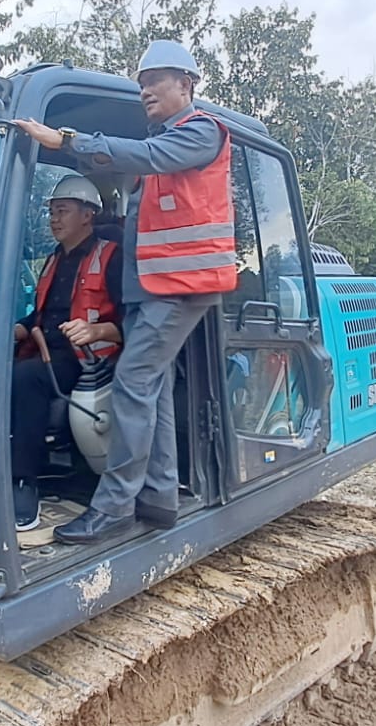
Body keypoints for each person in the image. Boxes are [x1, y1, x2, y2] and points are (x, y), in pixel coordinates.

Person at [14, 38, 232, 544]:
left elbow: (148, 154)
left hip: (180, 286)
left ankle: (113, 508)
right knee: (150, 390)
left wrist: (64, 139)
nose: (146, 90)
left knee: (132, 386)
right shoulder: (162, 156)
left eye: (155, 80)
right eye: (141, 83)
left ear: (187, 83)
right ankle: (157, 498)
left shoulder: (199, 132)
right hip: (155, 287)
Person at [8, 174, 123, 530]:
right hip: (45, 347)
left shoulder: (112, 256)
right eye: (52, 213)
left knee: (25, 378)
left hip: (87, 358)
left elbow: (136, 320)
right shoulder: (54, 259)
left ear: (88, 215)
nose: (54, 219)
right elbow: (42, 312)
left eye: (63, 211)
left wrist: (95, 330)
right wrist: (20, 328)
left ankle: (23, 481)